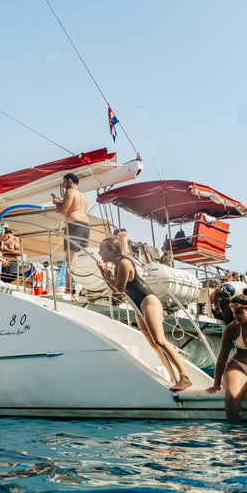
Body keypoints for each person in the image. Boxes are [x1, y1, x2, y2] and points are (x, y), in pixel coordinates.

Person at [97, 237, 192, 391]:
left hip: (148, 301)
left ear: (113, 251)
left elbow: (120, 289)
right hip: (139, 305)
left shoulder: (124, 263)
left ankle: (185, 377)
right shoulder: (117, 266)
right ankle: (172, 375)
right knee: (153, 343)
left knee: (159, 340)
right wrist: (103, 272)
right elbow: (115, 291)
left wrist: (106, 275)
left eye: (102, 249)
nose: (100, 253)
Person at [206, 289, 247, 423]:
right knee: (232, 397)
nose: (235, 316)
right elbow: (222, 357)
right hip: (238, 366)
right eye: (234, 313)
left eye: (239, 312)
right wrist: (216, 383)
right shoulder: (232, 328)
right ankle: (235, 434)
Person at [52, 173, 90, 294]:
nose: (63, 186)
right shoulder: (82, 194)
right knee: (82, 259)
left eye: (64, 183)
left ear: (69, 181)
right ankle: (83, 287)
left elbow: (63, 210)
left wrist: (57, 202)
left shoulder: (70, 192)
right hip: (85, 227)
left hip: (74, 226)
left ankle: (68, 289)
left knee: (71, 259)